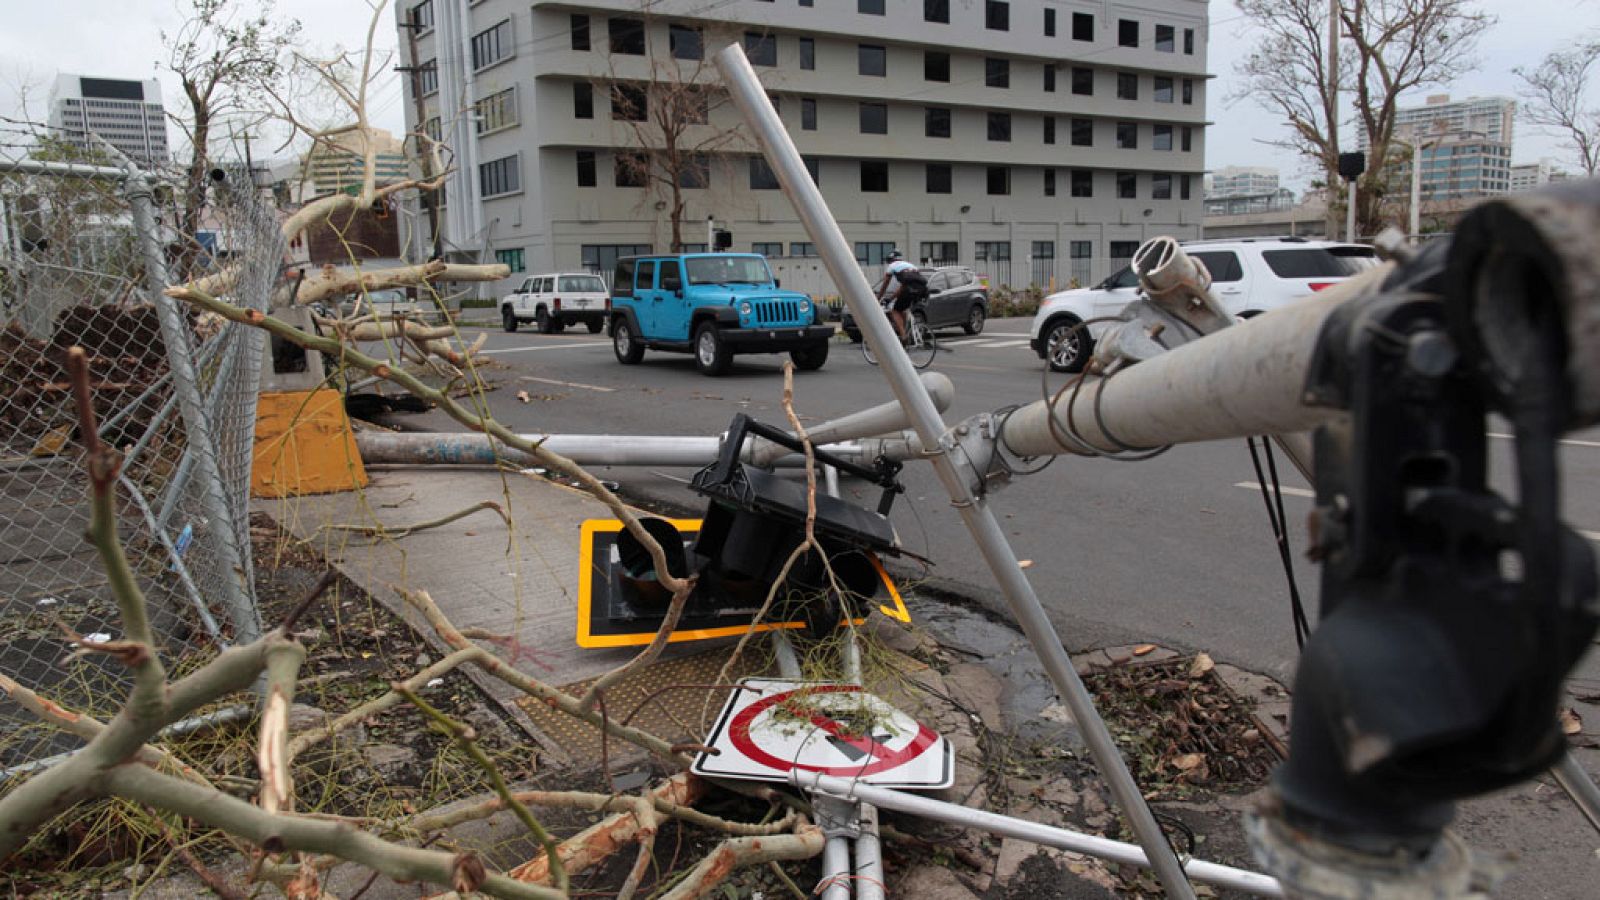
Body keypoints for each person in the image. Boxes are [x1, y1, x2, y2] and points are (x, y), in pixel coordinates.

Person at [873, 251, 926, 342]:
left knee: (895, 311)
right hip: (922, 289)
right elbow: (902, 287)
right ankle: (906, 333)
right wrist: (890, 299)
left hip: (910, 289)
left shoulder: (892, 266)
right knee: (903, 310)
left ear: (890, 261)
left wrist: (878, 298)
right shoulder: (910, 265)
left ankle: (903, 336)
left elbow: (885, 284)